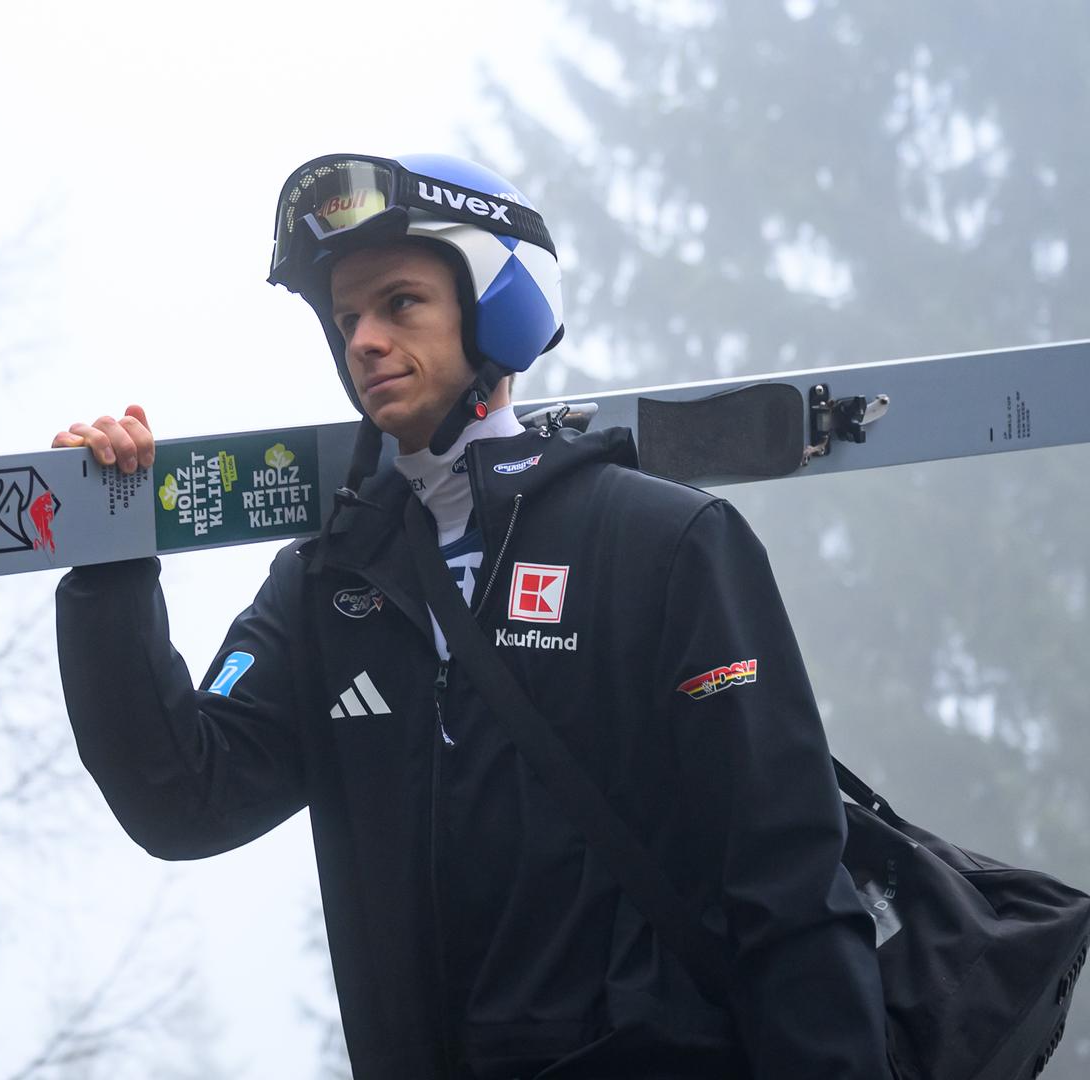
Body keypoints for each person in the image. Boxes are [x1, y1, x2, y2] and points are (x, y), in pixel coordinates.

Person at [51, 153, 888, 1078]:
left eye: (400, 304)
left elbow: (790, 890)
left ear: (496, 308)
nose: (363, 340)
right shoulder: (327, 589)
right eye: (346, 319)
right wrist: (109, 569)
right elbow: (184, 801)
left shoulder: (664, 544)